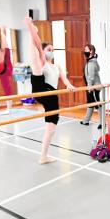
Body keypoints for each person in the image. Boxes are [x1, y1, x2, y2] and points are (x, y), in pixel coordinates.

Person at [24, 17, 76, 164]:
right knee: (36, 61)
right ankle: (30, 30)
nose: (51, 52)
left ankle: (43, 156)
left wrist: (69, 86)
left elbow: (65, 80)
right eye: (49, 49)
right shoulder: (42, 61)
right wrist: (31, 29)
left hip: (52, 96)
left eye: (52, 50)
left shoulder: (57, 67)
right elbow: (38, 46)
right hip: (42, 89)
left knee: (51, 129)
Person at [80, 44, 102, 128]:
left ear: (91, 51)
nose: (84, 51)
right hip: (91, 86)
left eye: (86, 49)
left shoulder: (92, 62)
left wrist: (90, 87)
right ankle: (86, 121)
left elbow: (91, 76)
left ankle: (102, 123)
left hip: (94, 87)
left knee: (98, 105)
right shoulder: (91, 61)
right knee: (90, 104)